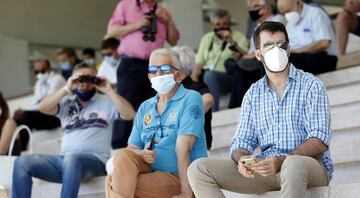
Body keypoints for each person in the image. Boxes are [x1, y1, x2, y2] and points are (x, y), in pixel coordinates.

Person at [188, 21, 332, 198]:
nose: (276, 50)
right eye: (269, 45)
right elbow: (241, 141)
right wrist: (242, 159)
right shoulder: (253, 94)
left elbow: (319, 140)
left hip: (308, 167)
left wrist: (283, 160)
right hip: (267, 168)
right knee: (198, 169)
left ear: (288, 50)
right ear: (257, 54)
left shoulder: (312, 85)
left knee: (293, 164)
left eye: (281, 45)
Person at [11, 63, 135, 198]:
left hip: (95, 161)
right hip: (63, 161)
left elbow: (129, 114)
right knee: (21, 162)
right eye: (80, 79)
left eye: (90, 79)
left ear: (96, 81)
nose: (84, 84)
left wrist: (110, 91)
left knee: (72, 159)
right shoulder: (66, 103)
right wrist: (66, 88)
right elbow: (43, 108)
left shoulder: (106, 101)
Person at [105, 48, 208, 198]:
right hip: (151, 171)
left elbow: (183, 148)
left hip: (179, 176)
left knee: (112, 183)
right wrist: (142, 153)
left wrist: (186, 192)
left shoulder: (191, 98)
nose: (158, 74)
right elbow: (132, 148)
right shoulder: (145, 107)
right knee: (123, 156)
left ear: (178, 75)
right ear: (148, 76)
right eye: (153, 70)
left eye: (165, 69)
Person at [106, 0, 180, 149]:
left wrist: (169, 21)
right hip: (130, 63)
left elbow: (173, 40)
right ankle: (119, 148)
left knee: (154, 104)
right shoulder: (126, 5)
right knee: (125, 102)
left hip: (154, 66)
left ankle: (151, 145)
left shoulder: (162, 10)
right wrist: (137, 25)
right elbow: (111, 31)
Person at [229, 0, 286, 108]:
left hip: (272, 58)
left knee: (240, 68)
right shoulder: (256, 28)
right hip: (257, 59)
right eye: (250, 7)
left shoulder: (278, 19)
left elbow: (272, 42)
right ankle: (238, 106)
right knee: (235, 65)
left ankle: (236, 106)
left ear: (266, 8)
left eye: (255, 6)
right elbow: (251, 52)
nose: (251, 10)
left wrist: (249, 56)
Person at [0, 59, 66, 153]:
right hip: (44, 115)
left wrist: (26, 111)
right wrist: (23, 110)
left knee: (26, 116)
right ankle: (11, 150)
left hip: (56, 116)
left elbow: (48, 103)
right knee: (16, 119)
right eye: (36, 72)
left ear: (49, 69)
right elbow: (35, 103)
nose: (39, 73)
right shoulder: (38, 83)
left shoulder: (57, 79)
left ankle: (22, 148)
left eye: (42, 71)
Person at [192, 9, 248, 112]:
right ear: (212, 25)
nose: (221, 27)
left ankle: (213, 115)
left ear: (229, 24)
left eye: (225, 24)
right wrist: (193, 85)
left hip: (230, 78)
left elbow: (246, 58)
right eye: (217, 24)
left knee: (210, 75)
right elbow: (198, 64)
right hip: (208, 78)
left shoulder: (239, 37)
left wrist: (232, 42)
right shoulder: (206, 38)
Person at [277, 0, 337, 75]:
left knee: (289, 60)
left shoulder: (315, 13)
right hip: (300, 58)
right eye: (283, 13)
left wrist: (297, 51)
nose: (286, 15)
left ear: (298, 3)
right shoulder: (289, 25)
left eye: (288, 11)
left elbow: (324, 43)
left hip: (324, 58)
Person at [172, 45, 214, 150]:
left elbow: (208, 100)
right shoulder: (170, 91)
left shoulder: (196, 87)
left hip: (196, 148)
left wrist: (183, 119)